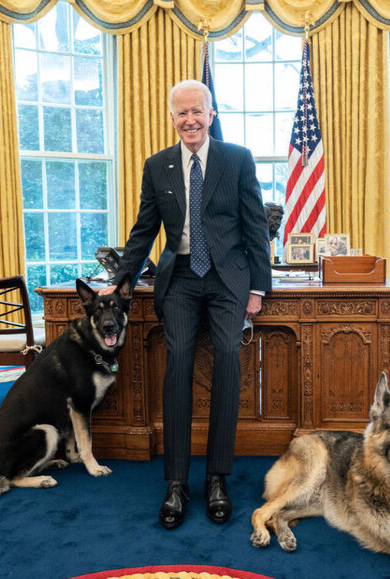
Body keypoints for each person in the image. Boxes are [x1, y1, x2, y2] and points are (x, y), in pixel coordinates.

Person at [101, 79, 271, 530]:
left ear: (211, 114)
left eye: (197, 111)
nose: (190, 119)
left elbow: (256, 227)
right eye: (181, 113)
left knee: (230, 358)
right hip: (178, 279)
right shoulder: (157, 166)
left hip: (227, 279)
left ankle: (217, 478)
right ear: (172, 118)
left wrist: (258, 287)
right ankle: (176, 483)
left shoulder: (237, 159)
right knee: (177, 360)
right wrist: (119, 283)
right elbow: (143, 233)